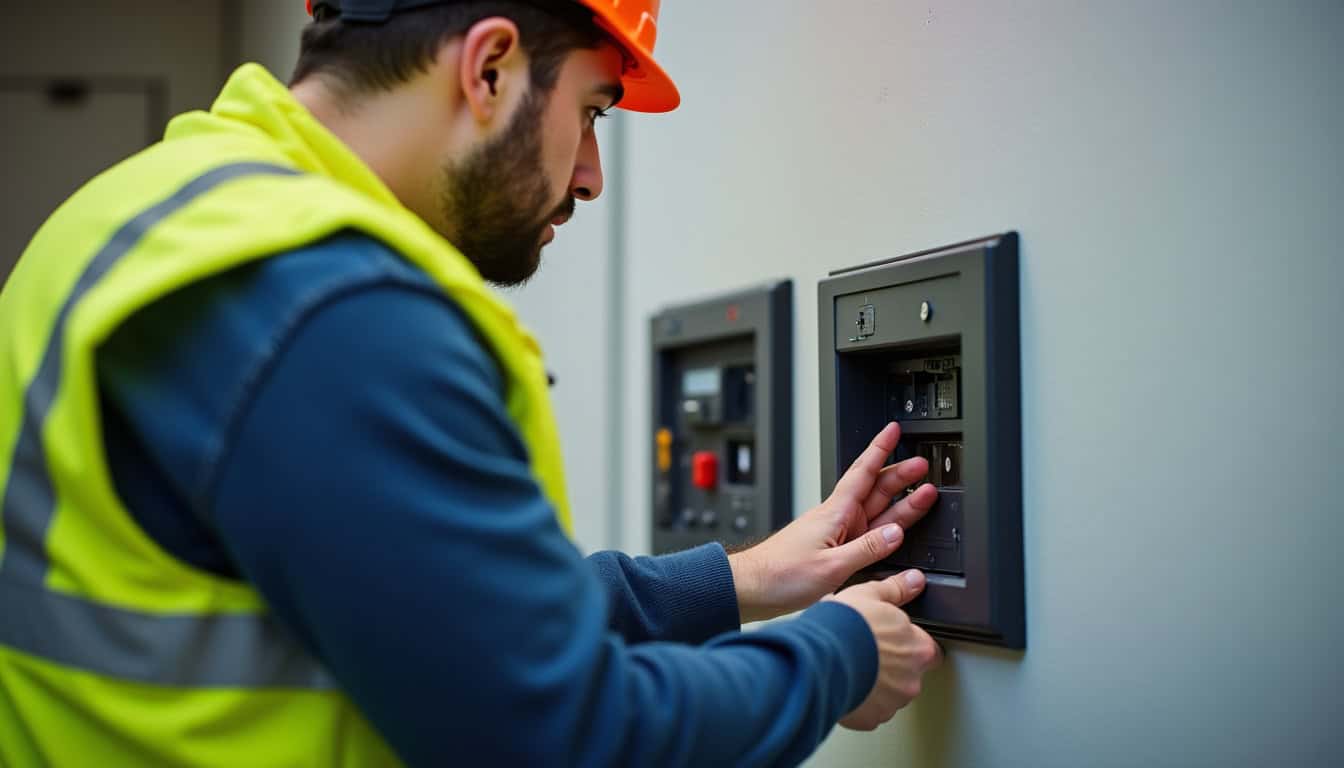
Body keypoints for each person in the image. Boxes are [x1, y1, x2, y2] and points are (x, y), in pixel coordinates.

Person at [0, 0, 943, 764]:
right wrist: (840, 654)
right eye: (591, 112)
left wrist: (740, 581)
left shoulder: (141, 216)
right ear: (488, 68)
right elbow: (568, 733)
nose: (591, 176)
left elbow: (424, 614)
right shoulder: (332, 306)